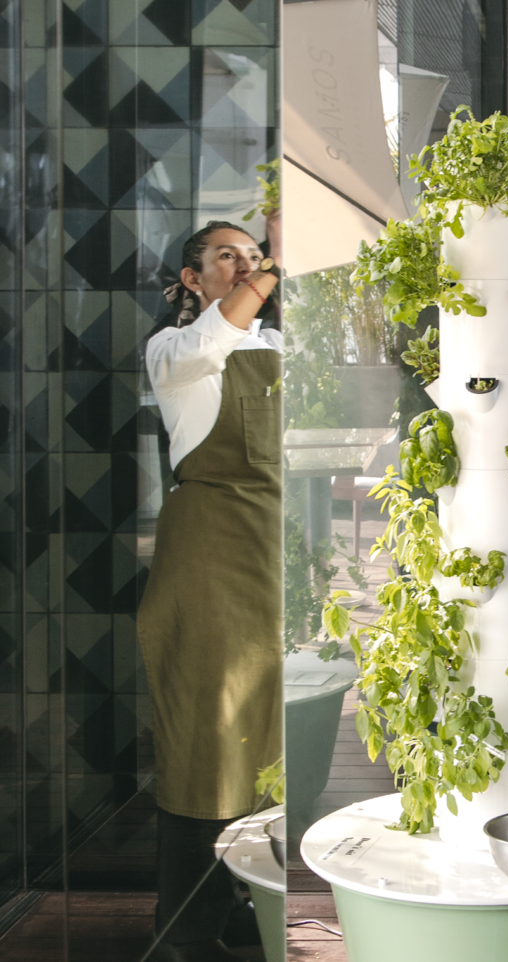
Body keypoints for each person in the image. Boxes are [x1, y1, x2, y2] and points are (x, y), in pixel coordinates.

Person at [138, 215, 284, 962]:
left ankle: (235, 908)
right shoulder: (175, 348)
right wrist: (273, 266)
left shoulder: (277, 350)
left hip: (270, 551)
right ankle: (182, 931)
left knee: (260, 737)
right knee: (203, 735)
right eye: (228, 257)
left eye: (254, 257)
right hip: (207, 551)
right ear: (193, 280)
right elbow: (208, 342)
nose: (247, 266)